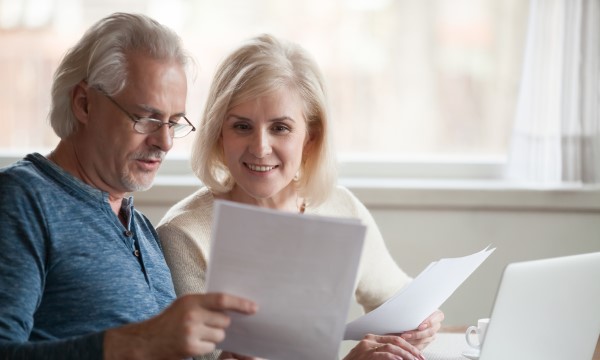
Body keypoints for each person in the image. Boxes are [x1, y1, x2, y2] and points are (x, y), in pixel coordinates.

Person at [157, 34, 444, 360]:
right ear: (218, 132)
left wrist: (421, 321)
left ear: (311, 136)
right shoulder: (184, 234)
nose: (260, 147)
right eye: (242, 126)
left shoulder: (341, 207)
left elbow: (395, 297)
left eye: (280, 128)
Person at [0, 13, 257, 360]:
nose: (165, 141)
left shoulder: (144, 231)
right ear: (84, 103)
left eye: (174, 122)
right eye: (147, 118)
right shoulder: (21, 201)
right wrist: (136, 344)